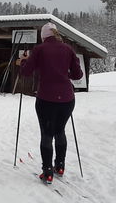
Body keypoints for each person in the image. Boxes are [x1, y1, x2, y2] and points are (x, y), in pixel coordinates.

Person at [17, 22, 83, 184]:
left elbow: (26, 72)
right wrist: (65, 71)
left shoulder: (39, 50)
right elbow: (78, 75)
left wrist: (23, 62)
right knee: (59, 131)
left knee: (47, 134)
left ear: (43, 36)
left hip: (46, 98)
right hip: (67, 99)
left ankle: (47, 172)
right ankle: (59, 166)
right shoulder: (68, 49)